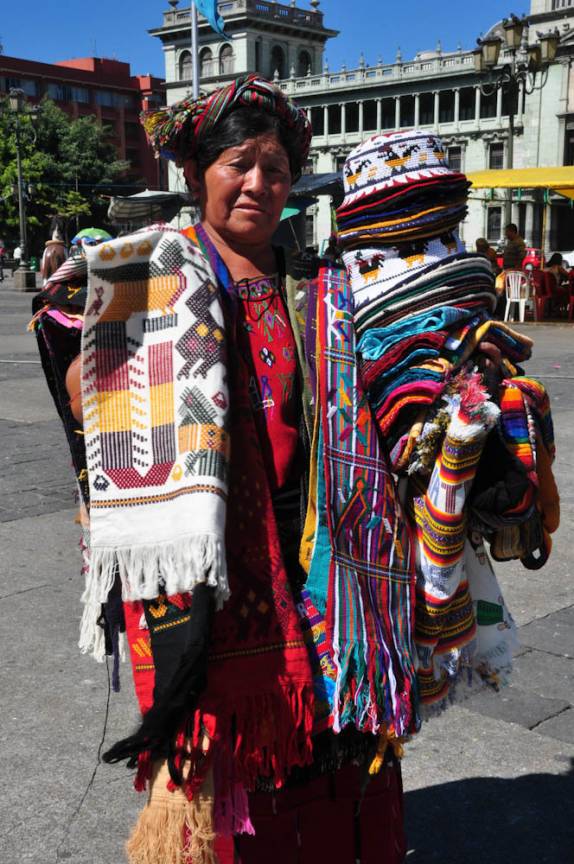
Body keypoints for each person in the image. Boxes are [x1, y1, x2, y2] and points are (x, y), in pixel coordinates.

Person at [59, 75, 410, 864]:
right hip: (214, 568)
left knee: (338, 752)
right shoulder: (146, 280)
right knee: (235, 766)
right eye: (238, 164)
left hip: (324, 555)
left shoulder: (321, 288)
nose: (259, 183)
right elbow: (88, 394)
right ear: (195, 176)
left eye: (276, 168)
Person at [545, 252, 570, 316]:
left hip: (544, 289)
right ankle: (563, 310)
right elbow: (568, 276)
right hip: (554, 289)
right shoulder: (558, 267)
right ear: (559, 260)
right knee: (568, 289)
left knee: (565, 287)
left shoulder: (546, 267)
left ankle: (558, 309)